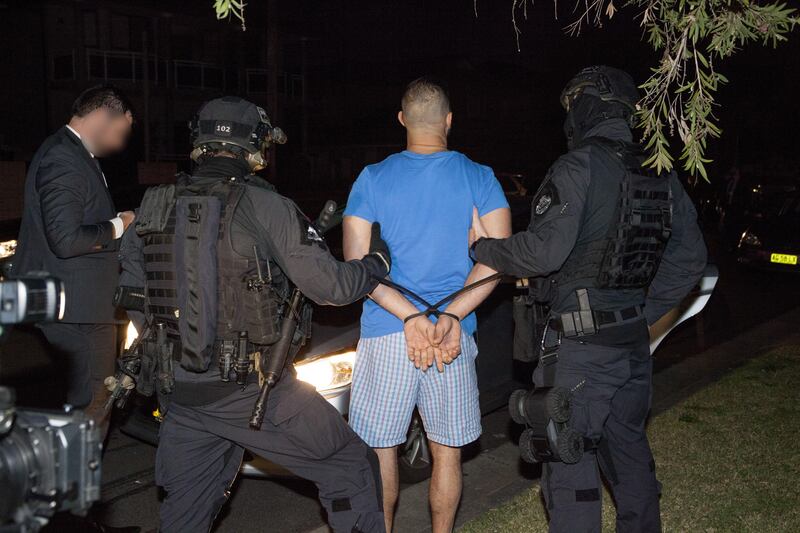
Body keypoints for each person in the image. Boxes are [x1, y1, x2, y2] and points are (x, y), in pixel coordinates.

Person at [118, 96, 390, 533]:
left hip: (179, 395)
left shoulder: (153, 205)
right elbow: (332, 288)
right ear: (254, 145)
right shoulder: (266, 206)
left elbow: (133, 296)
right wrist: (377, 263)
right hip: (249, 393)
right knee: (349, 465)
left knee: (184, 517)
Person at [470, 65, 708, 532]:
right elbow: (690, 257)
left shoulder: (579, 166)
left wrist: (484, 248)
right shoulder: (658, 170)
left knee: (569, 465)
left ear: (588, 107)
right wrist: (643, 314)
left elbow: (543, 250)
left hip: (582, 352)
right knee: (629, 456)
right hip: (631, 347)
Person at [343, 78, 511, 533]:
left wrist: (410, 317)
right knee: (446, 451)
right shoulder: (480, 177)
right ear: (449, 121)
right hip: (452, 337)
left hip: (387, 332)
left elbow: (356, 266)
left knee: (379, 451)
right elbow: (498, 260)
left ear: (402, 120)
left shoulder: (372, 178)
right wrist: (451, 315)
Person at [12, 85, 135, 421]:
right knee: (96, 401)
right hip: (77, 308)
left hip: (80, 304)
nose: (120, 142)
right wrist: (119, 225)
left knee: (87, 400)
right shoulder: (64, 158)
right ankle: (79, 471)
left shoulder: (70, 152)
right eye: (119, 131)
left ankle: (74, 467)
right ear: (99, 117)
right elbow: (66, 240)